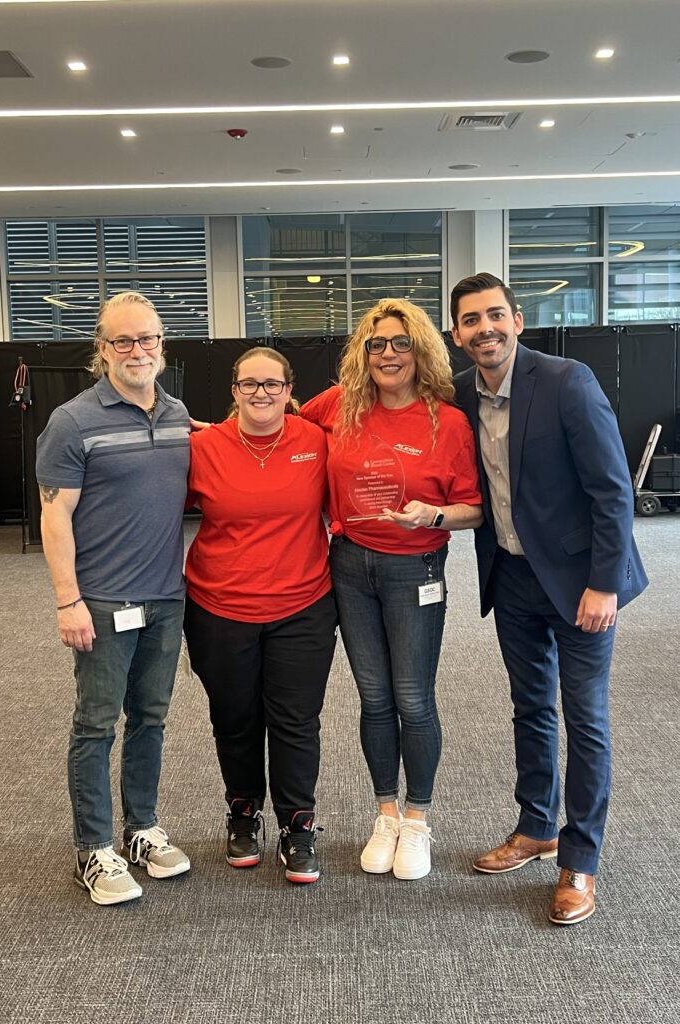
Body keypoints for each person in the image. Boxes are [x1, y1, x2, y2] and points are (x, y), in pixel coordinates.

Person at [450, 272, 648, 924]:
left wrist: (605, 583)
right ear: (456, 334)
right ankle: (536, 825)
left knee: (584, 716)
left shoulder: (566, 381)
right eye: (471, 320)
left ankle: (579, 859)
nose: (485, 328)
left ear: (517, 320)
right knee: (530, 706)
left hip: (581, 582)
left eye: (495, 315)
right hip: (510, 576)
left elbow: (612, 490)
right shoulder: (457, 396)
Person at [301, 298, 482, 880]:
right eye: (376, 344)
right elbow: (276, 425)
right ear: (362, 353)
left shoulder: (446, 421)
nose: (387, 354)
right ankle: (386, 813)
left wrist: (433, 515)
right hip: (349, 567)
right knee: (373, 698)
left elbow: (474, 511)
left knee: (413, 698)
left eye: (400, 343)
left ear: (421, 351)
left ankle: (419, 819)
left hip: (415, 571)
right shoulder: (339, 407)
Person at [36, 291, 191, 906]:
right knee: (96, 724)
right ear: (101, 351)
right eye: (123, 341)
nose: (137, 350)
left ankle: (141, 829)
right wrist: (67, 600)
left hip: (166, 599)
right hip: (99, 601)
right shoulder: (72, 422)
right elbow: (54, 516)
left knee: (150, 719)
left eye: (147, 339)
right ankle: (93, 849)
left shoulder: (178, 414)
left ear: (161, 345)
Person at [183, 347, 337, 884]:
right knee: (235, 718)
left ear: (290, 390)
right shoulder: (202, 447)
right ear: (234, 391)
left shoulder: (316, 443)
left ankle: (299, 825)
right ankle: (243, 814)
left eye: (272, 384)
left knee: (296, 722)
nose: (261, 394)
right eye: (250, 384)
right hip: (219, 607)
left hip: (303, 606)